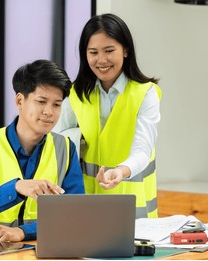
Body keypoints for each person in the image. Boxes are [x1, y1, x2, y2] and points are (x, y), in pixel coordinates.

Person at [0, 59, 85, 248]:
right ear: (20, 100)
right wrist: (15, 189)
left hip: (30, 256)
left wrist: (22, 232)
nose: (49, 112)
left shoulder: (65, 149)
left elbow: (74, 216)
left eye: (57, 104)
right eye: (41, 102)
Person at [53, 13, 162, 218]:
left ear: (126, 50)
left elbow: (143, 150)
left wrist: (120, 171)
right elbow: (55, 143)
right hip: (84, 206)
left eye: (109, 50)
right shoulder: (75, 94)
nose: (101, 60)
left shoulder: (145, 93)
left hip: (132, 210)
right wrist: (78, 137)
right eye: (93, 52)